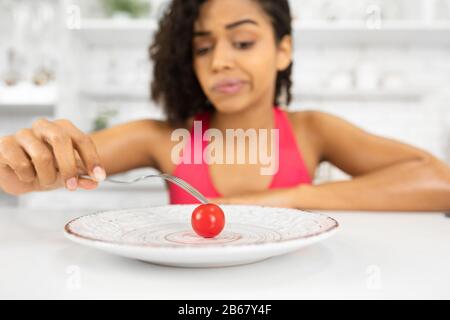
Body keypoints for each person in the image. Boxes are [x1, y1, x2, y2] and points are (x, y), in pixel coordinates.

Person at [0, 0, 449, 211]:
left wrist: (292, 198)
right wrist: (21, 166)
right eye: (202, 48)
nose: (220, 61)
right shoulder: (160, 139)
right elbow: (21, 173)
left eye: (243, 41)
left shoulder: (314, 130)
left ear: (283, 50)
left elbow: (438, 179)